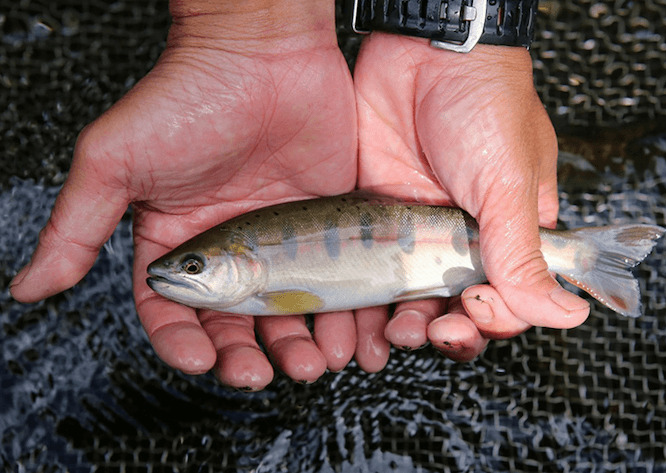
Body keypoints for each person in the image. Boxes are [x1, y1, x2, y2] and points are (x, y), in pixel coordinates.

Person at [9, 0, 590, 391]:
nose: (180, 273)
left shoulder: (252, 290)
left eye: (193, 266)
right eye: (190, 265)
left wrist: (463, 43)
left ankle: (576, 256)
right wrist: (247, 23)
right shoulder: (250, 283)